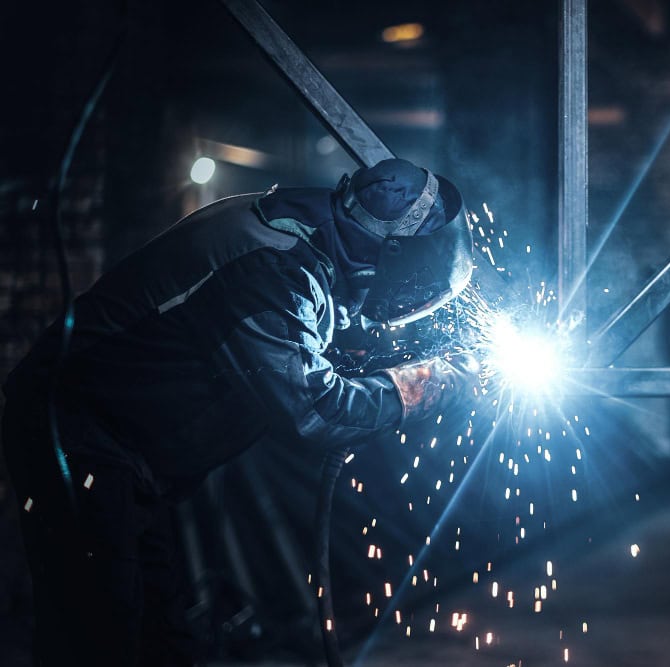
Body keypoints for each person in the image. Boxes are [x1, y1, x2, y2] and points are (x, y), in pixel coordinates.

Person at [1, 157, 480, 666]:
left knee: (162, 639)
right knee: (98, 637)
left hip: (124, 446)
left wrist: (346, 340)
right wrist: (420, 389)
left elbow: (297, 314)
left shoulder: (304, 224)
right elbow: (315, 409)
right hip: (76, 435)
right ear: (395, 255)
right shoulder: (271, 269)